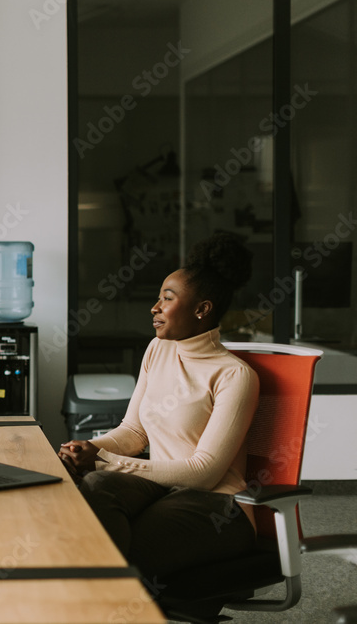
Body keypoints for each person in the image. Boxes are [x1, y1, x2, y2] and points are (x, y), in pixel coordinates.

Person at [58, 232, 259, 578]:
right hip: (163, 486)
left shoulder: (235, 375)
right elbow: (134, 431)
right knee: (95, 486)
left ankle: (104, 603)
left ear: (202, 309)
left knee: (119, 547)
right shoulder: (158, 349)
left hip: (217, 504)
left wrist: (104, 460)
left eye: (167, 298)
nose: (155, 307)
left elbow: (205, 472)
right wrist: (88, 448)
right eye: (157, 298)